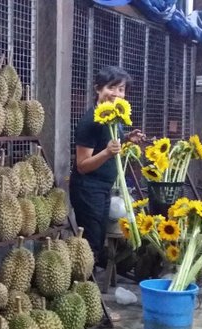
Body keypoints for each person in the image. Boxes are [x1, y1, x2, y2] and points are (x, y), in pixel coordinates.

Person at [70, 66, 145, 270]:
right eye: (111, 88)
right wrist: (107, 153)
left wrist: (127, 138)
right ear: (98, 89)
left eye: (121, 89)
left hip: (103, 188)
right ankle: (85, 288)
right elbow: (82, 166)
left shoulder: (113, 117)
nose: (116, 94)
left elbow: (109, 142)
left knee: (98, 238)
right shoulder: (90, 121)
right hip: (88, 189)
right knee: (90, 244)